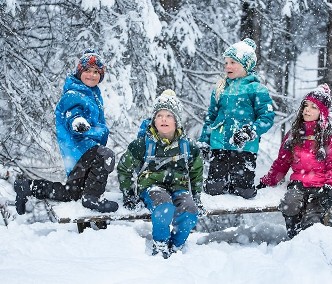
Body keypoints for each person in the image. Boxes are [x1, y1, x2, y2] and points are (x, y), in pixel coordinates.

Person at [14, 48, 119, 215]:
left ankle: (28, 187)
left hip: (80, 155)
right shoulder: (74, 94)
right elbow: (72, 113)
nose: (91, 75)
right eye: (87, 71)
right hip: (82, 150)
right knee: (106, 155)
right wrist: (78, 122)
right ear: (79, 72)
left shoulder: (92, 95)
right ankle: (92, 197)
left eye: (96, 72)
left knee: (71, 193)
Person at [117, 89, 204, 259]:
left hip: (178, 187)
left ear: (177, 120)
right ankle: (161, 243)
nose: (163, 119)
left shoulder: (188, 146)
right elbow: (124, 168)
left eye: (169, 116)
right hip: (151, 187)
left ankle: (177, 244)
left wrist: (197, 197)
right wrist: (128, 193)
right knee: (164, 206)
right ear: (154, 120)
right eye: (159, 115)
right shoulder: (142, 144)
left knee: (190, 211)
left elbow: (196, 172)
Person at [257, 84, 332, 239]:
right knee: (289, 204)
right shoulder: (295, 134)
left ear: (322, 112)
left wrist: (331, 187)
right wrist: (269, 180)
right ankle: (294, 238)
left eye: (313, 107)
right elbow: (282, 162)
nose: (307, 110)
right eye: (306, 105)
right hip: (299, 182)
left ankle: (309, 245)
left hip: (321, 184)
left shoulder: (329, 135)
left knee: (313, 216)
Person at [198, 38, 275, 199]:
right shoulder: (220, 88)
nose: (227, 66)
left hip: (244, 147)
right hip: (219, 145)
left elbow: (267, 117)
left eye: (232, 62)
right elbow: (211, 117)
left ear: (246, 65)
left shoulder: (256, 89)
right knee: (213, 189)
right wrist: (205, 140)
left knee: (244, 191)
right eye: (226, 62)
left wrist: (250, 131)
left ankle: (243, 190)